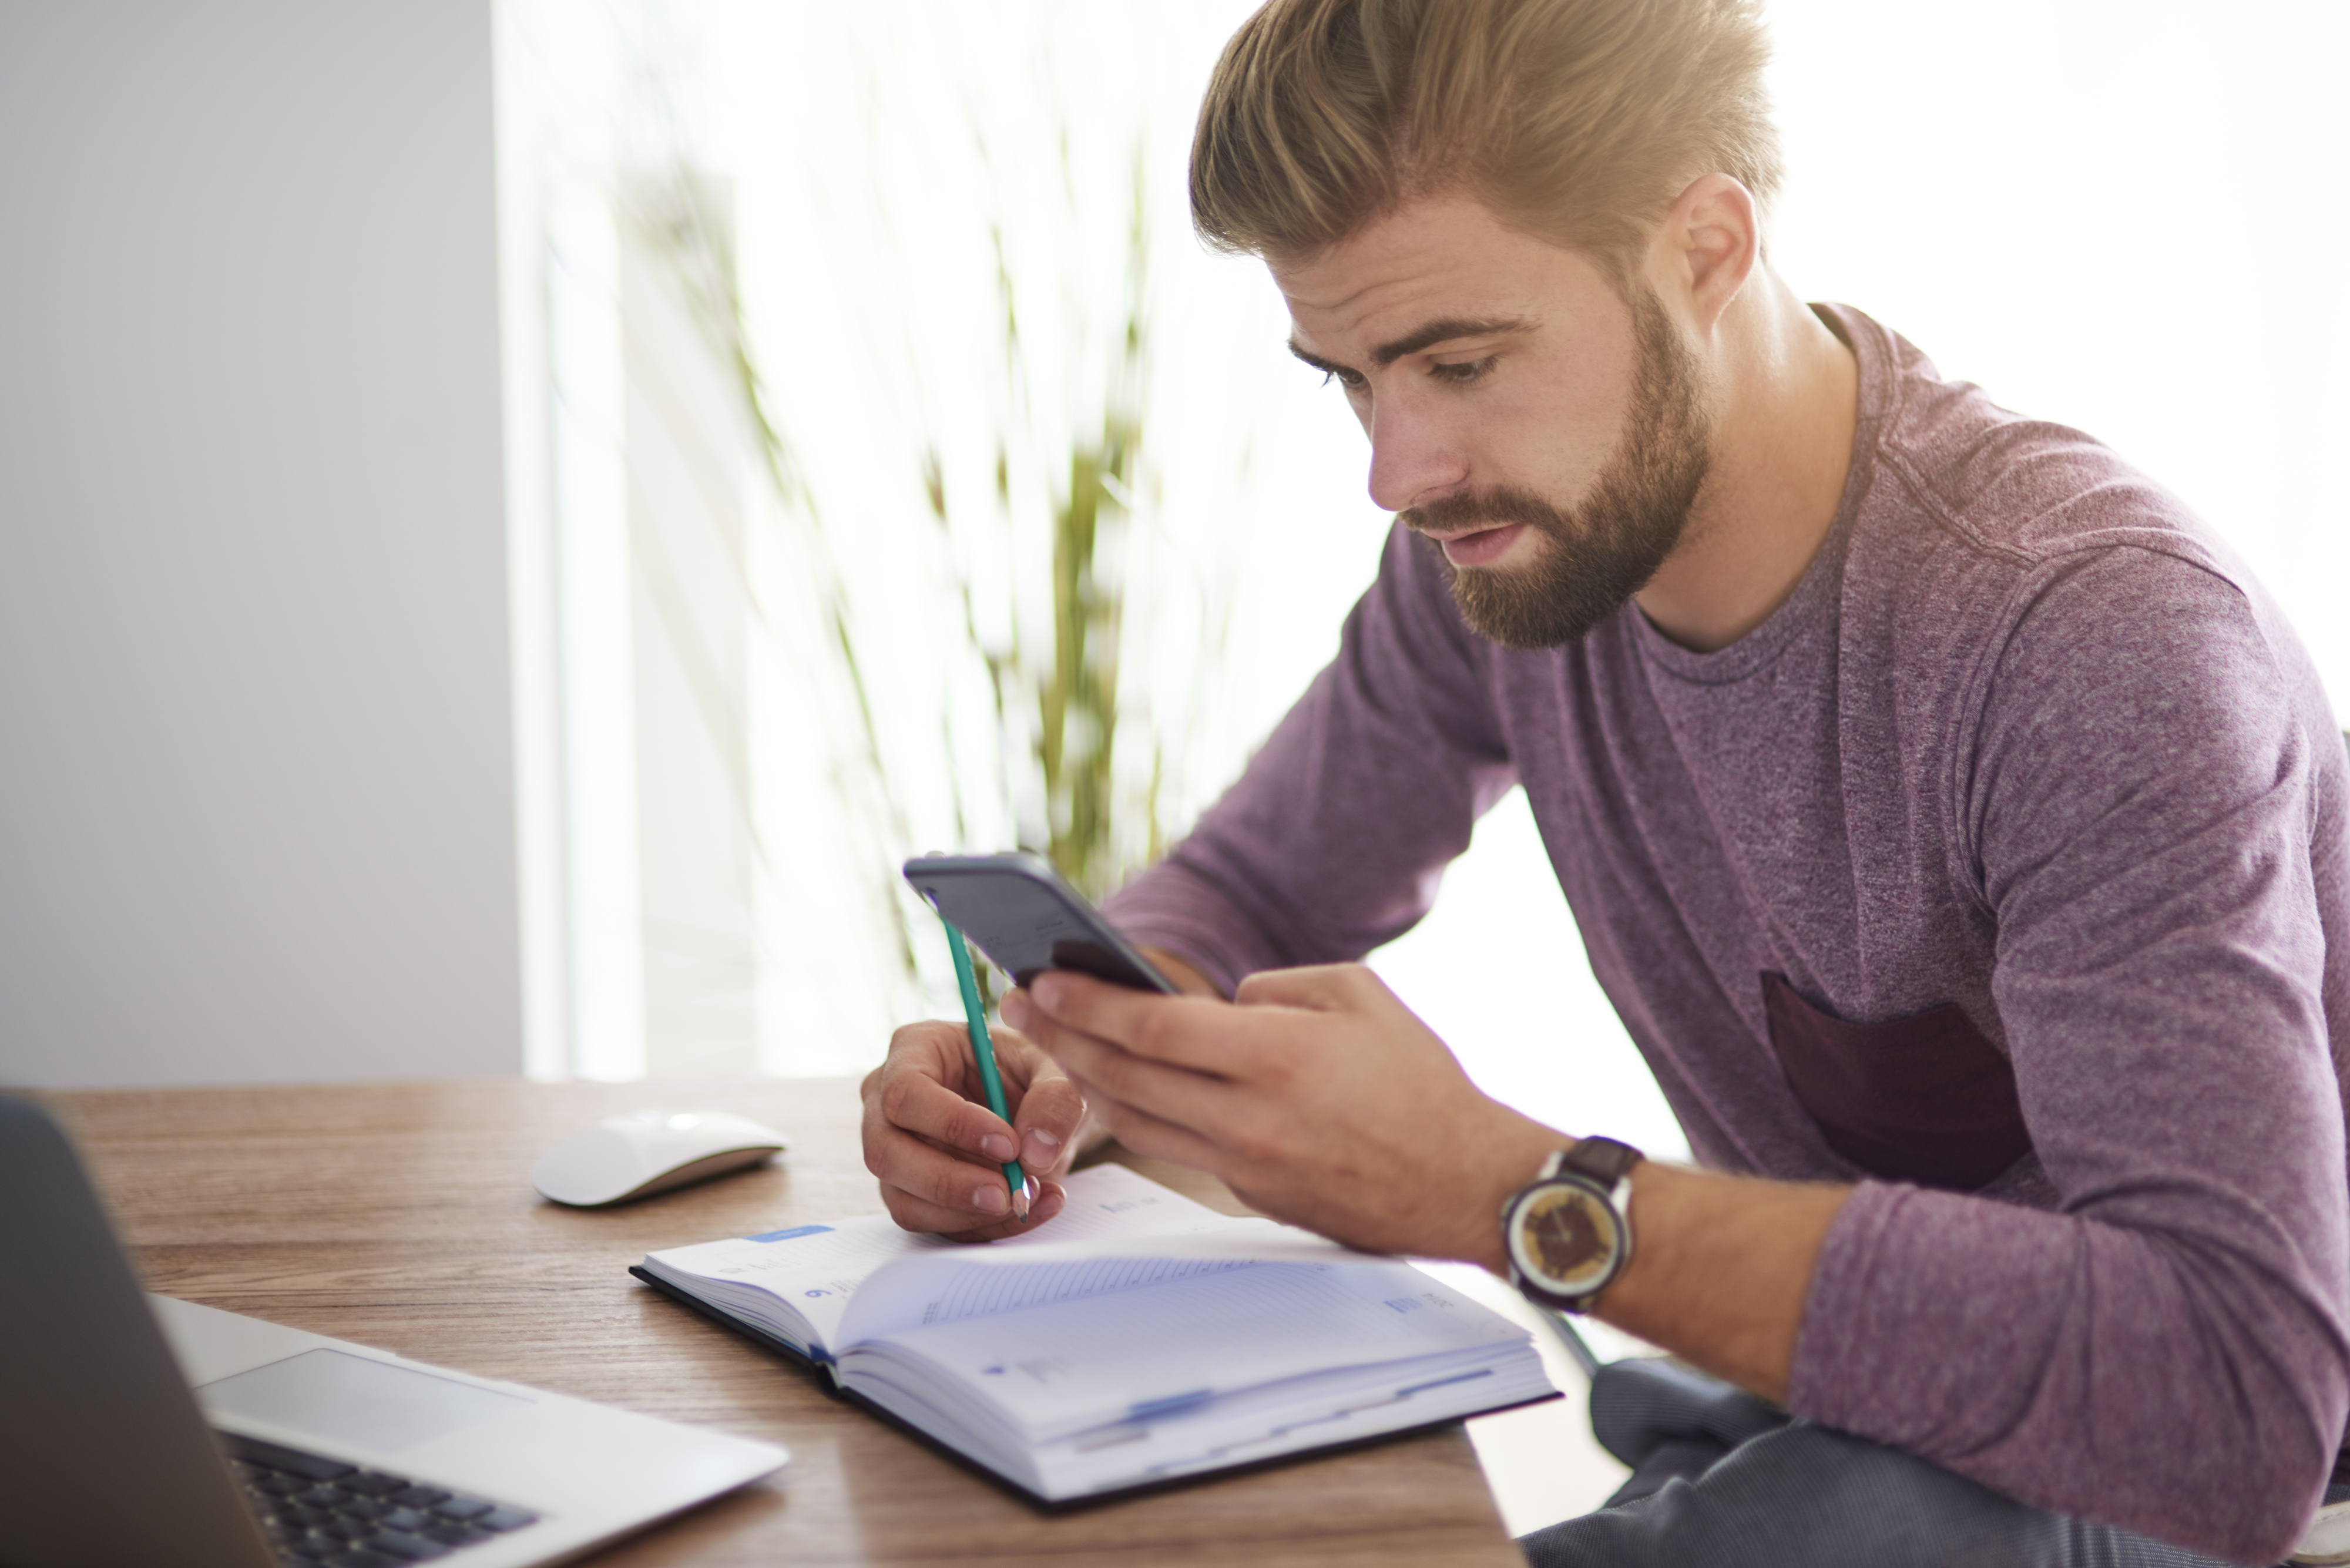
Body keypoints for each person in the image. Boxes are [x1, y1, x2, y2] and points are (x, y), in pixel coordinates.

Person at [858, 1, 2350, 1562]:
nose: (1399, 470)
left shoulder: (2089, 643)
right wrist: (1084, 1054)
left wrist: (1504, 1189)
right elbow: (1244, 892)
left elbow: (2229, 1394)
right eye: (1349, 379)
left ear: (1704, 246)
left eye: (1459, 360)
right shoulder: (1507, 548)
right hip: (1840, 1408)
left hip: (2198, 1476)